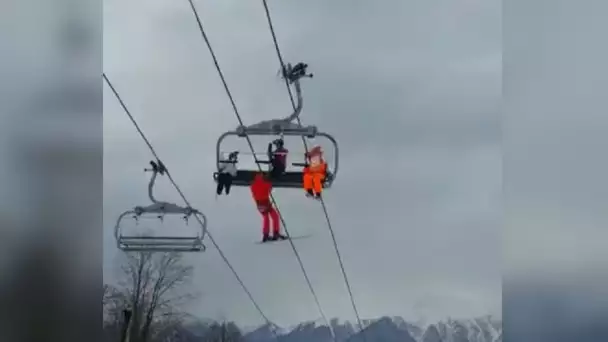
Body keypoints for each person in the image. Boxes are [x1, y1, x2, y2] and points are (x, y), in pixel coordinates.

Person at [250, 172, 286, 242]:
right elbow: (269, 189)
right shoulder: (266, 183)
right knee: (275, 216)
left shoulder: (253, 184)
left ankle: (266, 235)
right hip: (266, 203)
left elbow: (255, 193)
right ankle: (276, 233)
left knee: (266, 218)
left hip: (259, 204)